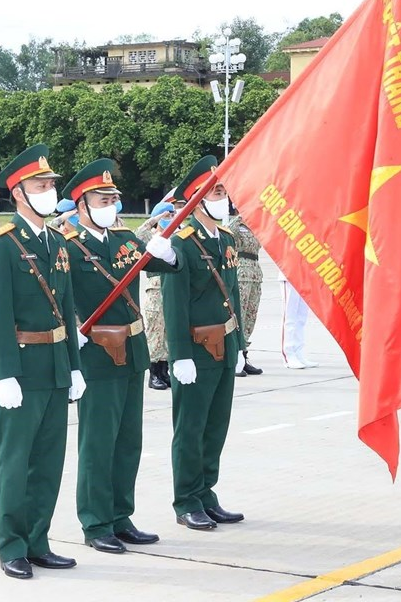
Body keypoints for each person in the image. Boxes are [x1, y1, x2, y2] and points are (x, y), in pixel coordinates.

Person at [62, 159, 180, 555]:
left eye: (113, 197)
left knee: (128, 441)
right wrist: (70, 336)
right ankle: (96, 522)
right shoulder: (67, 245)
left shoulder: (123, 238)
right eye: (102, 197)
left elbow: (163, 266)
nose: (111, 203)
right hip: (96, 352)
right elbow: (57, 298)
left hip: (132, 351)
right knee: (98, 442)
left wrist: (168, 254)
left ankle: (120, 515)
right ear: (81, 205)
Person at [0, 144, 84, 580]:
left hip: (56, 367)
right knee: (14, 462)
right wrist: (3, 373)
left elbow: (68, 307)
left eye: (51, 184)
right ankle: (11, 545)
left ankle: (38, 540)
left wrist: (74, 365)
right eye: (40, 185)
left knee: (48, 462)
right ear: (18, 193)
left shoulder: (58, 242)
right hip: (20, 370)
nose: (48, 190)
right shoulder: (1, 245)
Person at [162, 155, 246, 532]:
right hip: (195, 349)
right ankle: (186, 499)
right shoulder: (182, 243)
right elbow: (173, 303)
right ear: (196, 199)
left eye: (224, 191)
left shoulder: (225, 238)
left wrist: (241, 344)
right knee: (191, 428)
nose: (222, 198)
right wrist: (179, 355)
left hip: (224, 345)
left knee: (216, 426)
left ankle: (206, 492)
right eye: (215, 192)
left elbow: (234, 296)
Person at [137, 199, 177, 391]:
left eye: (172, 215)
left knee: (169, 331)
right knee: (155, 330)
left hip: (173, 287)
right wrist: (152, 221)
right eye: (166, 216)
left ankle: (164, 370)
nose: (170, 219)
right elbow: (137, 236)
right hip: (155, 288)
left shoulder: (175, 236)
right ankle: (154, 373)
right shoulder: (151, 237)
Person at [230, 205, 265, 377]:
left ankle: (244, 355)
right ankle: (236, 356)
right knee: (240, 315)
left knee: (251, 316)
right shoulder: (236, 226)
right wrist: (241, 215)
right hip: (241, 272)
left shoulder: (255, 225)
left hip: (255, 273)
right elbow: (228, 231)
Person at [279, 271, 319, 369]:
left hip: (304, 274)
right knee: (290, 316)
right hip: (289, 272)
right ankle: (288, 354)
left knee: (301, 318)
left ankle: (298, 352)